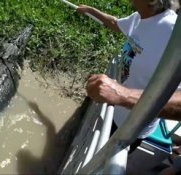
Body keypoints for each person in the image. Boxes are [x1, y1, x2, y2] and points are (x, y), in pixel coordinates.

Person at [77, 0, 181, 150]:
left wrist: (122, 95)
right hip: (113, 109)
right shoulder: (139, 17)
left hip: (131, 128)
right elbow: (115, 23)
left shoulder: (172, 33)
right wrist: (90, 10)